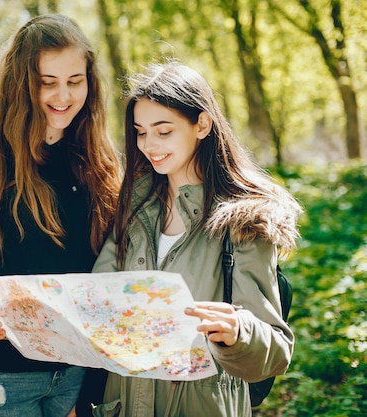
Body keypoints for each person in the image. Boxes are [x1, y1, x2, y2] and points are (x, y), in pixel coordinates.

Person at [0, 14, 121, 417]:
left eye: (74, 80)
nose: (63, 96)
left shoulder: (97, 162)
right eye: (46, 82)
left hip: (79, 374)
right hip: (2, 379)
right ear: (21, 85)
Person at [90, 61, 302, 417]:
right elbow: (97, 300)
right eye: (141, 132)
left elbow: (275, 351)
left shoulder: (245, 219)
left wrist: (238, 330)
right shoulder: (131, 207)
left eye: (164, 131)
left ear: (201, 124)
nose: (149, 145)